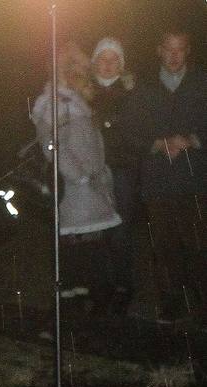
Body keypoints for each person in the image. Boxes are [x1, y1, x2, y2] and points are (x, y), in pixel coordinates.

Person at [124, 27, 207, 324]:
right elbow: (129, 131)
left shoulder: (202, 83)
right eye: (169, 49)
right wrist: (159, 144)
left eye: (180, 49)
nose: (174, 55)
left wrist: (192, 139)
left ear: (188, 51)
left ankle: (202, 301)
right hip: (158, 182)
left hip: (196, 180)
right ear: (159, 50)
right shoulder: (143, 88)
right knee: (164, 246)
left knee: (199, 243)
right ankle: (172, 301)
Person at [32, 43, 121, 320]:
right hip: (75, 191)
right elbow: (51, 146)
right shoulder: (56, 103)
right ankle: (72, 314)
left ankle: (82, 310)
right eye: (80, 69)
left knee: (85, 249)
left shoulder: (73, 100)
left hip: (88, 189)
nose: (86, 74)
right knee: (80, 249)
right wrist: (79, 176)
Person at [88, 38, 140, 314]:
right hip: (91, 172)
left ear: (121, 64)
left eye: (113, 59)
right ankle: (100, 288)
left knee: (120, 232)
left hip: (122, 170)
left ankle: (123, 286)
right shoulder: (84, 91)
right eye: (103, 58)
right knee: (96, 232)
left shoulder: (132, 92)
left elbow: (133, 132)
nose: (107, 65)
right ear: (94, 62)